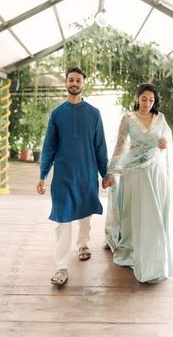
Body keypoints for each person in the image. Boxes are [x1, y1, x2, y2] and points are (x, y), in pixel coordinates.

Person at [37, 66, 108, 286]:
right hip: (63, 178)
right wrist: (43, 175)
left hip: (87, 175)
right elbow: (49, 147)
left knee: (85, 214)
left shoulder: (94, 113)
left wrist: (105, 173)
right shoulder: (57, 114)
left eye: (78, 80)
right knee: (63, 219)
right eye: (71, 80)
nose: (74, 83)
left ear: (83, 84)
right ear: (66, 83)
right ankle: (61, 267)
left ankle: (83, 243)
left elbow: (100, 147)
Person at [102, 82, 173, 283]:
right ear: (137, 98)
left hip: (155, 172)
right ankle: (133, 252)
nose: (147, 103)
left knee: (155, 214)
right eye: (144, 99)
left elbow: (166, 140)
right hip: (133, 172)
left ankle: (156, 258)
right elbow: (119, 146)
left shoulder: (160, 118)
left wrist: (164, 144)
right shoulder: (127, 119)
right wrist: (110, 172)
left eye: (151, 100)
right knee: (134, 213)